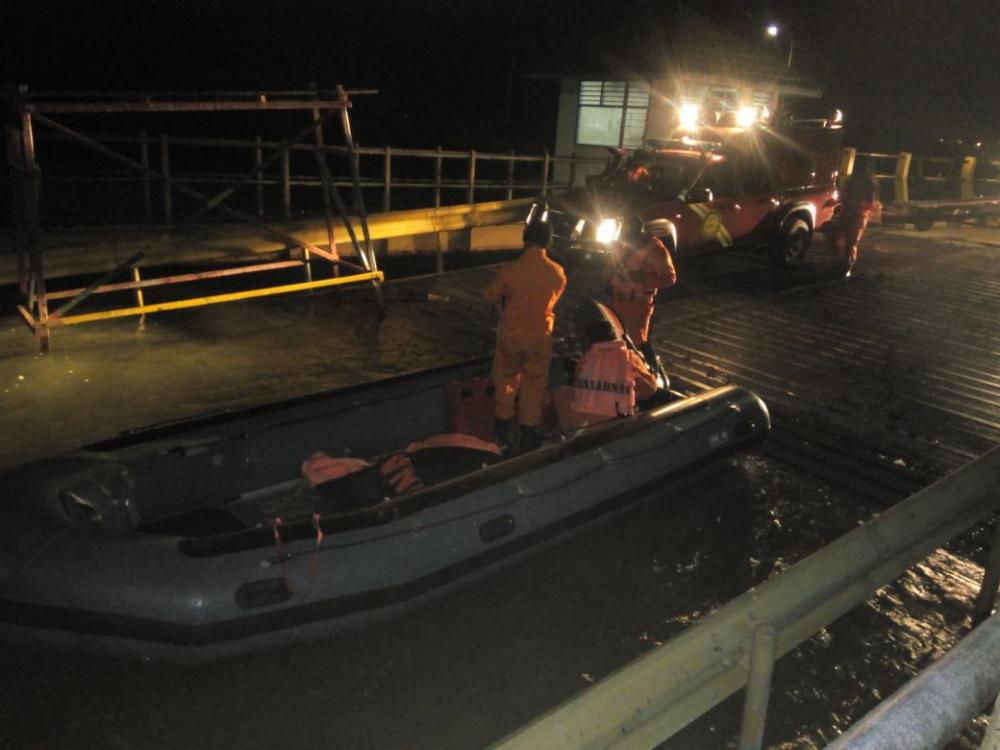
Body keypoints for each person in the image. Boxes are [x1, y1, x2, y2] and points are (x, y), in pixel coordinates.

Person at [482, 209, 567, 452]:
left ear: (525, 238)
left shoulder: (510, 269)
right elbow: (554, 297)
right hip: (541, 334)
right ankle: (529, 433)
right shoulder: (557, 272)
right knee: (535, 382)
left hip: (511, 334)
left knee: (505, 380)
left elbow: (488, 295)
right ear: (548, 241)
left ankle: (501, 432)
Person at [553, 302, 662, 433]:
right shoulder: (629, 358)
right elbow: (650, 389)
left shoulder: (587, 358)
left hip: (582, 423)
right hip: (618, 422)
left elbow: (579, 385)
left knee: (561, 392)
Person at [606, 216, 677, 375]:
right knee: (616, 339)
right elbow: (612, 268)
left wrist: (642, 278)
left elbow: (670, 277)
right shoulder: (618, 244)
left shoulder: (655, 249)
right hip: (616, 301)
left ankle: (648, 374)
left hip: (637, 304)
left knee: (637, 342)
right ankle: (620, 371)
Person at [830, 169, 881, 278]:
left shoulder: (859, 182)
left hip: (857, 215)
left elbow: (870, 201)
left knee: (850, 242)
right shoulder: (867, 183)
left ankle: (846, 267)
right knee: (845, 240)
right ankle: (844, 264)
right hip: (852, 213)